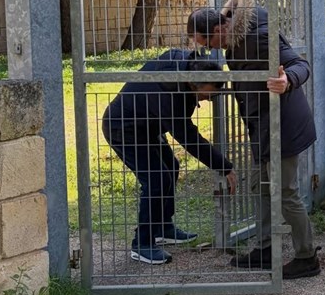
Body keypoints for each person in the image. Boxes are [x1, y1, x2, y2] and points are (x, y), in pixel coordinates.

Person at [187, 0, 320, 279]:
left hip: (283, 126)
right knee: (260, 187)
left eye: (207, 43)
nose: (210, 50)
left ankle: (307, 257)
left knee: (285, 192)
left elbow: (301, 65)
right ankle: (265, 249)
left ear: (219, 29)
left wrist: (287, 80)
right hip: (262, 128)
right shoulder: (234, 42)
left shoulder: (259, 36)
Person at [102, 49, 237, 266]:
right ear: (193, 84)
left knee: (171, 167)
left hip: (147, 126)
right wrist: (224, 166)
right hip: (123, 128)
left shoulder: (186, 67)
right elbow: (189, 138)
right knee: (156, 180)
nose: (209, 99)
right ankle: (142, 244)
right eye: (207, 94)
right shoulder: (167, 92)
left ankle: (163, 227)